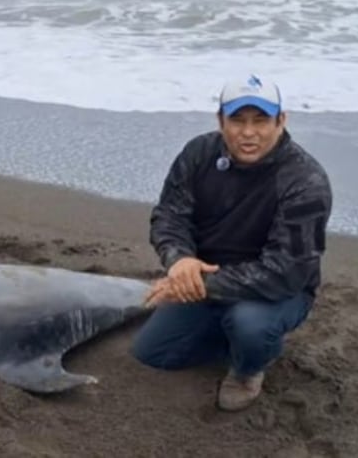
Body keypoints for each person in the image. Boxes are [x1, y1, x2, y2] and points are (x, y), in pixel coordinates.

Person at [130, 74, 333, 412]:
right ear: (220, 120)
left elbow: (286, 272)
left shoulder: (305, 181)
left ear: (281, 121)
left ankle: (248, 368)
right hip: (207, 277)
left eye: (261, 120)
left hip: (278, 291)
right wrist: (179, 261)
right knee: (153, 354)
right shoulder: (199, 153)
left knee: (250, 325)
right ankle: (230, 336)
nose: (248, 132)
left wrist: (200, 284)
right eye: (237, 120)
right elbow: (169, 216)